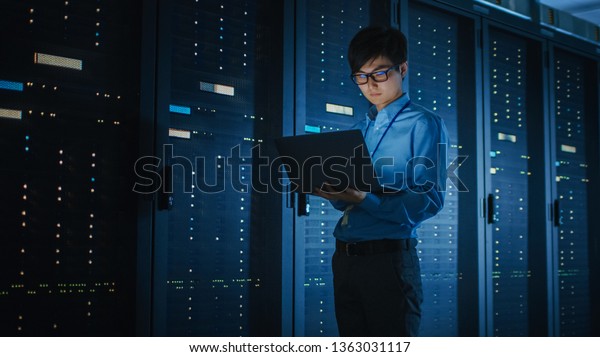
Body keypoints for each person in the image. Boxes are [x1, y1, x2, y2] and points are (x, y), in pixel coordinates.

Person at [312, 26, 448, 337]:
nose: (370, 85)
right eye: (361, 76)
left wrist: (365, 199)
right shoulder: (359, 127)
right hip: (345, 260)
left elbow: (427, 201)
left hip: (389, 262)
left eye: (380, 73)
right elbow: (348, 198)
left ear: (403, 68)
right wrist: (332, 190)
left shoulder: (424, 124)